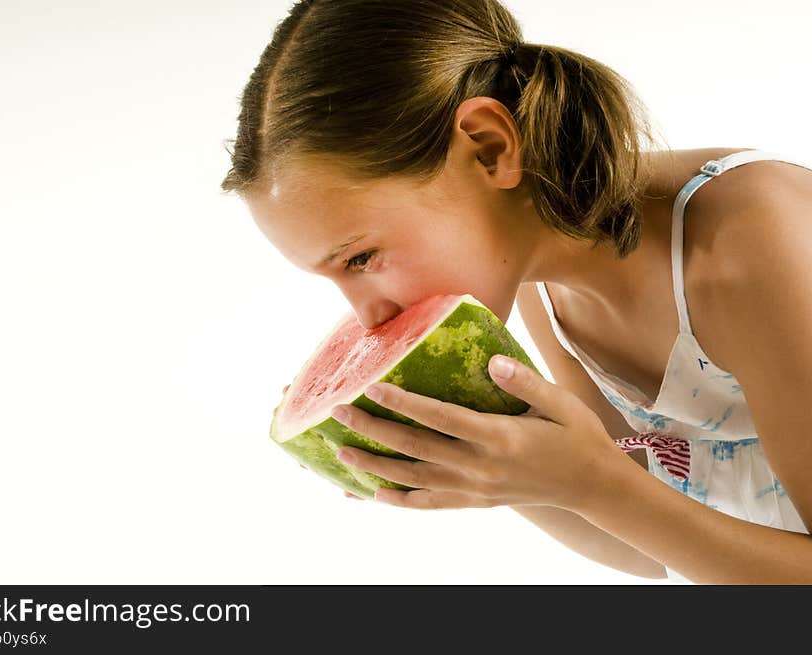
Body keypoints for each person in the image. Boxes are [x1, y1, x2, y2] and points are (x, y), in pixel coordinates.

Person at [222, 0, 812, 584]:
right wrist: (505, 469)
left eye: (362, 258)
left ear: (489, 147)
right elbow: (653, 548)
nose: (368, 317)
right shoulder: (539, 282)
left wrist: (595, 484)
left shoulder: (758, 242)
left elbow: (621, 499)